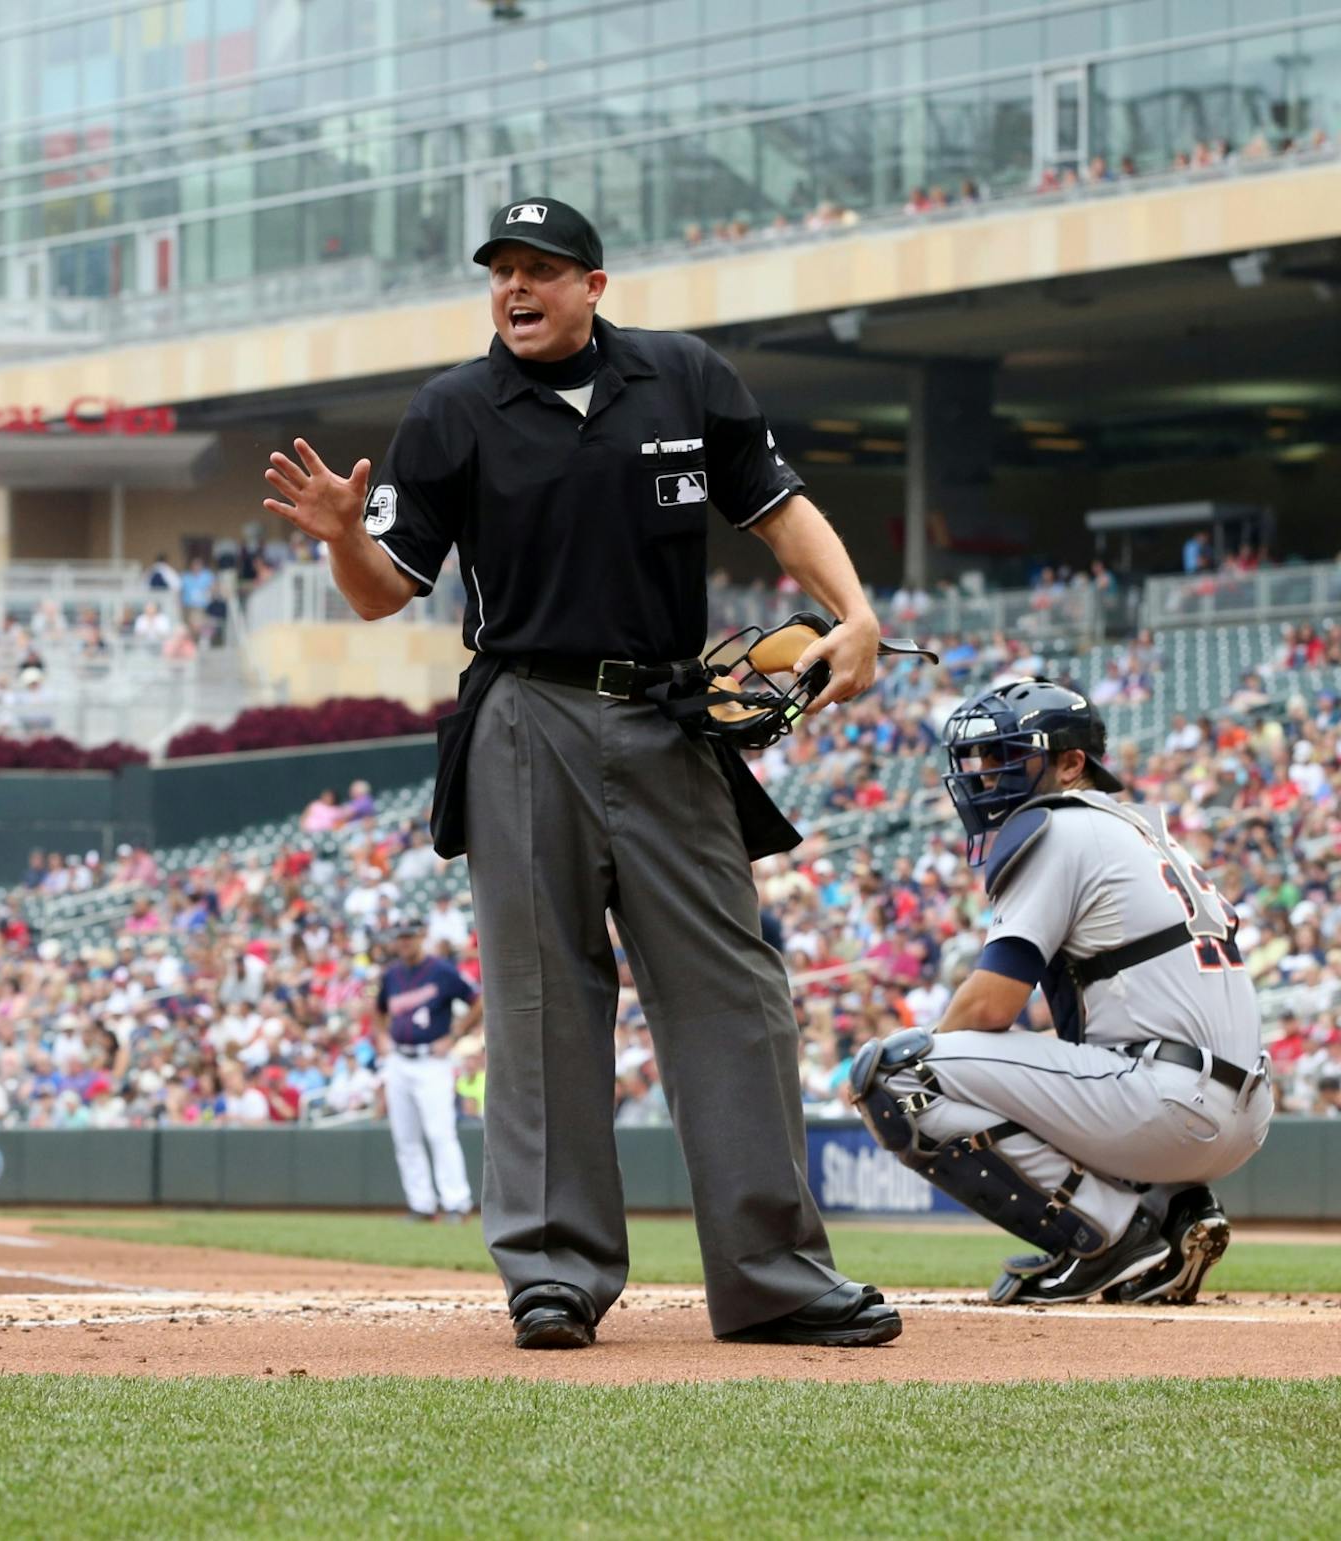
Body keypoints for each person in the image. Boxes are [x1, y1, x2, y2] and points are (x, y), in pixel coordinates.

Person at [262, 196, 899, 1349]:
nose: (517, 287)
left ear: (592, 285)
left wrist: (855, 610)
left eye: (541, 269)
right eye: (502, 269)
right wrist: (344, 534)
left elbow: (777, 507)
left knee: (737, 997)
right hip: (526, 713)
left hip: (670, 713)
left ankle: (773, 1277)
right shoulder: (453, 409)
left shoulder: (683, 377)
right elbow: (379, 590)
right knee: (543, 997)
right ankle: (553, 1273)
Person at [850, 680, 1273, 1305]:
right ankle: (1175, 1210)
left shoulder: (1060, 826)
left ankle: (1110, 1235)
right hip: (1241, 1105)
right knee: (1047, 1062)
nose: (988, 777)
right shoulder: (1143, 831)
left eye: (1007, 757)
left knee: (897, 1073)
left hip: (1168, 1102)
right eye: (983, 761)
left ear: (1071, 763)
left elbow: (992, 1005)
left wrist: (941, 1060)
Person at [377, 923, 482, 1221]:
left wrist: (457, 1033)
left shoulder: (441, 970)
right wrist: (381, 1036)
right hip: (399, 1060)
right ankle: (421, 1205)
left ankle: (456, 1203)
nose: (405, 942)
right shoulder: (391, 975)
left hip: (432, 1062)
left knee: (440, 1133)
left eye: (409, 936)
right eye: (400, 938)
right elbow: (378, 1011)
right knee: (405, 1138)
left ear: (421, 936)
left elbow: (478, 1000)